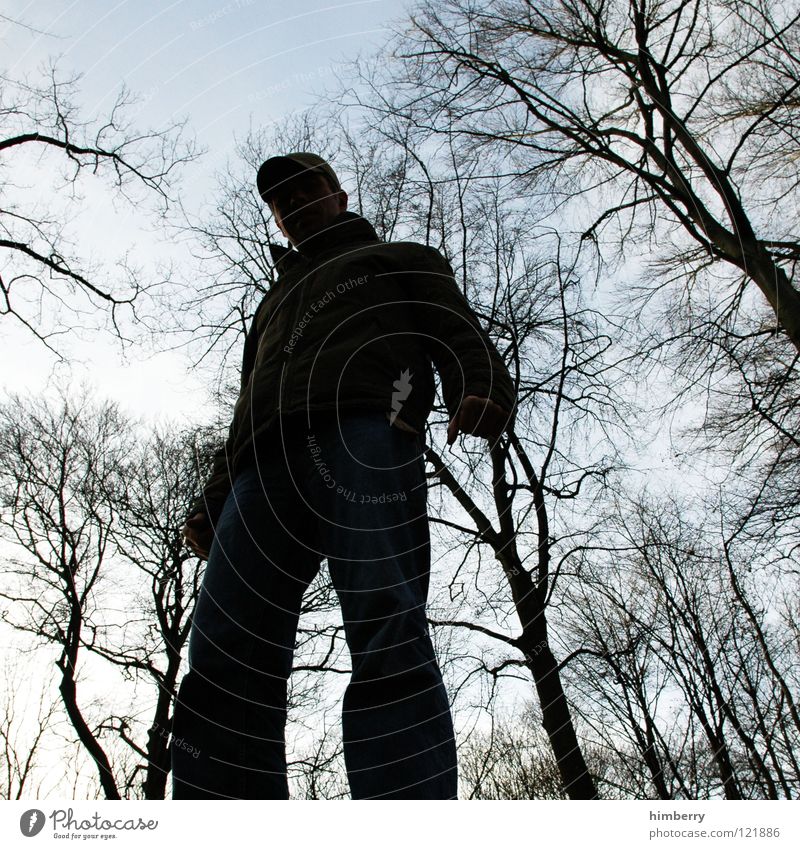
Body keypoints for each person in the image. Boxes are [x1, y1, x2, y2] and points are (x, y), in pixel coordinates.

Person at [171, 152, 516, 799]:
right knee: (222, 652)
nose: (294, 202)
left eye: (306, 188)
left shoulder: (401, 258)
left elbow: (453, 325)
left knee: (385, 615)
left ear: (338, 193)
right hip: (260, 471)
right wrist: (214, 498)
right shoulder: (271, 304)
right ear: (277, 220)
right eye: (281, 200)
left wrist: (484, 383)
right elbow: (248, 400)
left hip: (364, 433)